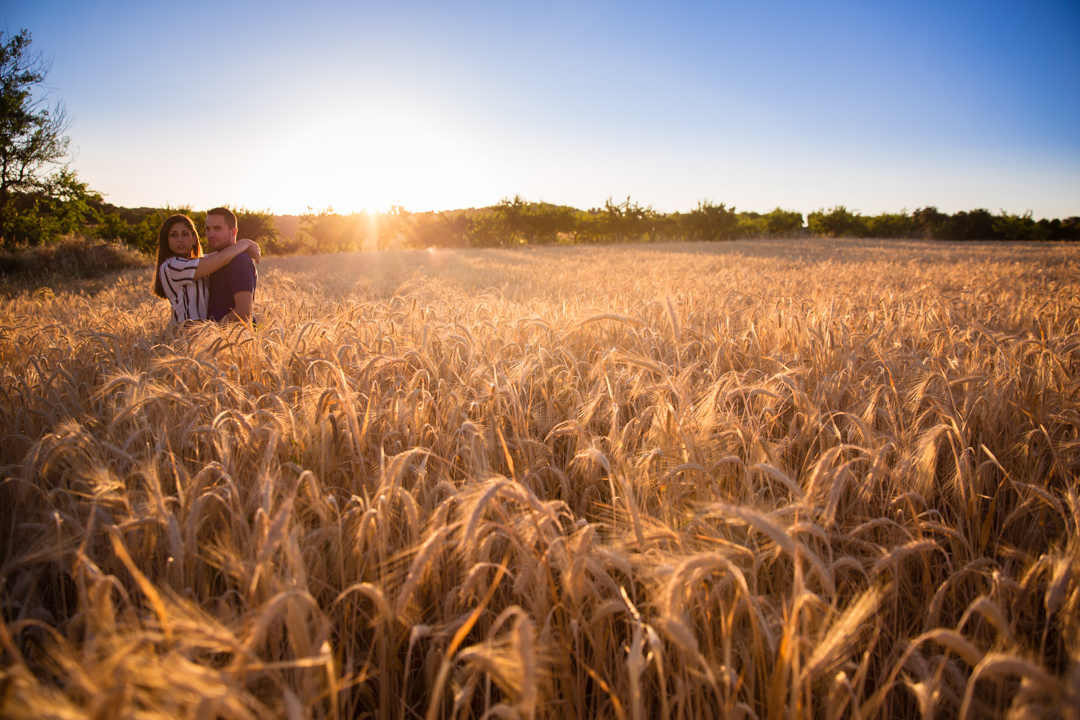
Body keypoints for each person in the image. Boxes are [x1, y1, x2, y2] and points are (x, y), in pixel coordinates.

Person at [153, 214, 261, 325]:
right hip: (186, 334)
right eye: (173, 235)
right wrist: (246, 243)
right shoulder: (173, 265)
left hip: (202, 334)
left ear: (194, 239)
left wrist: (246, 246)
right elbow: (222, 258)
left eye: (185, 234)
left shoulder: (197, 263)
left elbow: (219, 255)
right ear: (166, 241)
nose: (180, 240)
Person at [204, 207, 258, 323]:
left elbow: (244, 310)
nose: (211, 234)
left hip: (236, 337)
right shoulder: (215, 260)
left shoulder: (239, 261)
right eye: (208, 229)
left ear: (233, 232)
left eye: (217, 229)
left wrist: (212, 331)